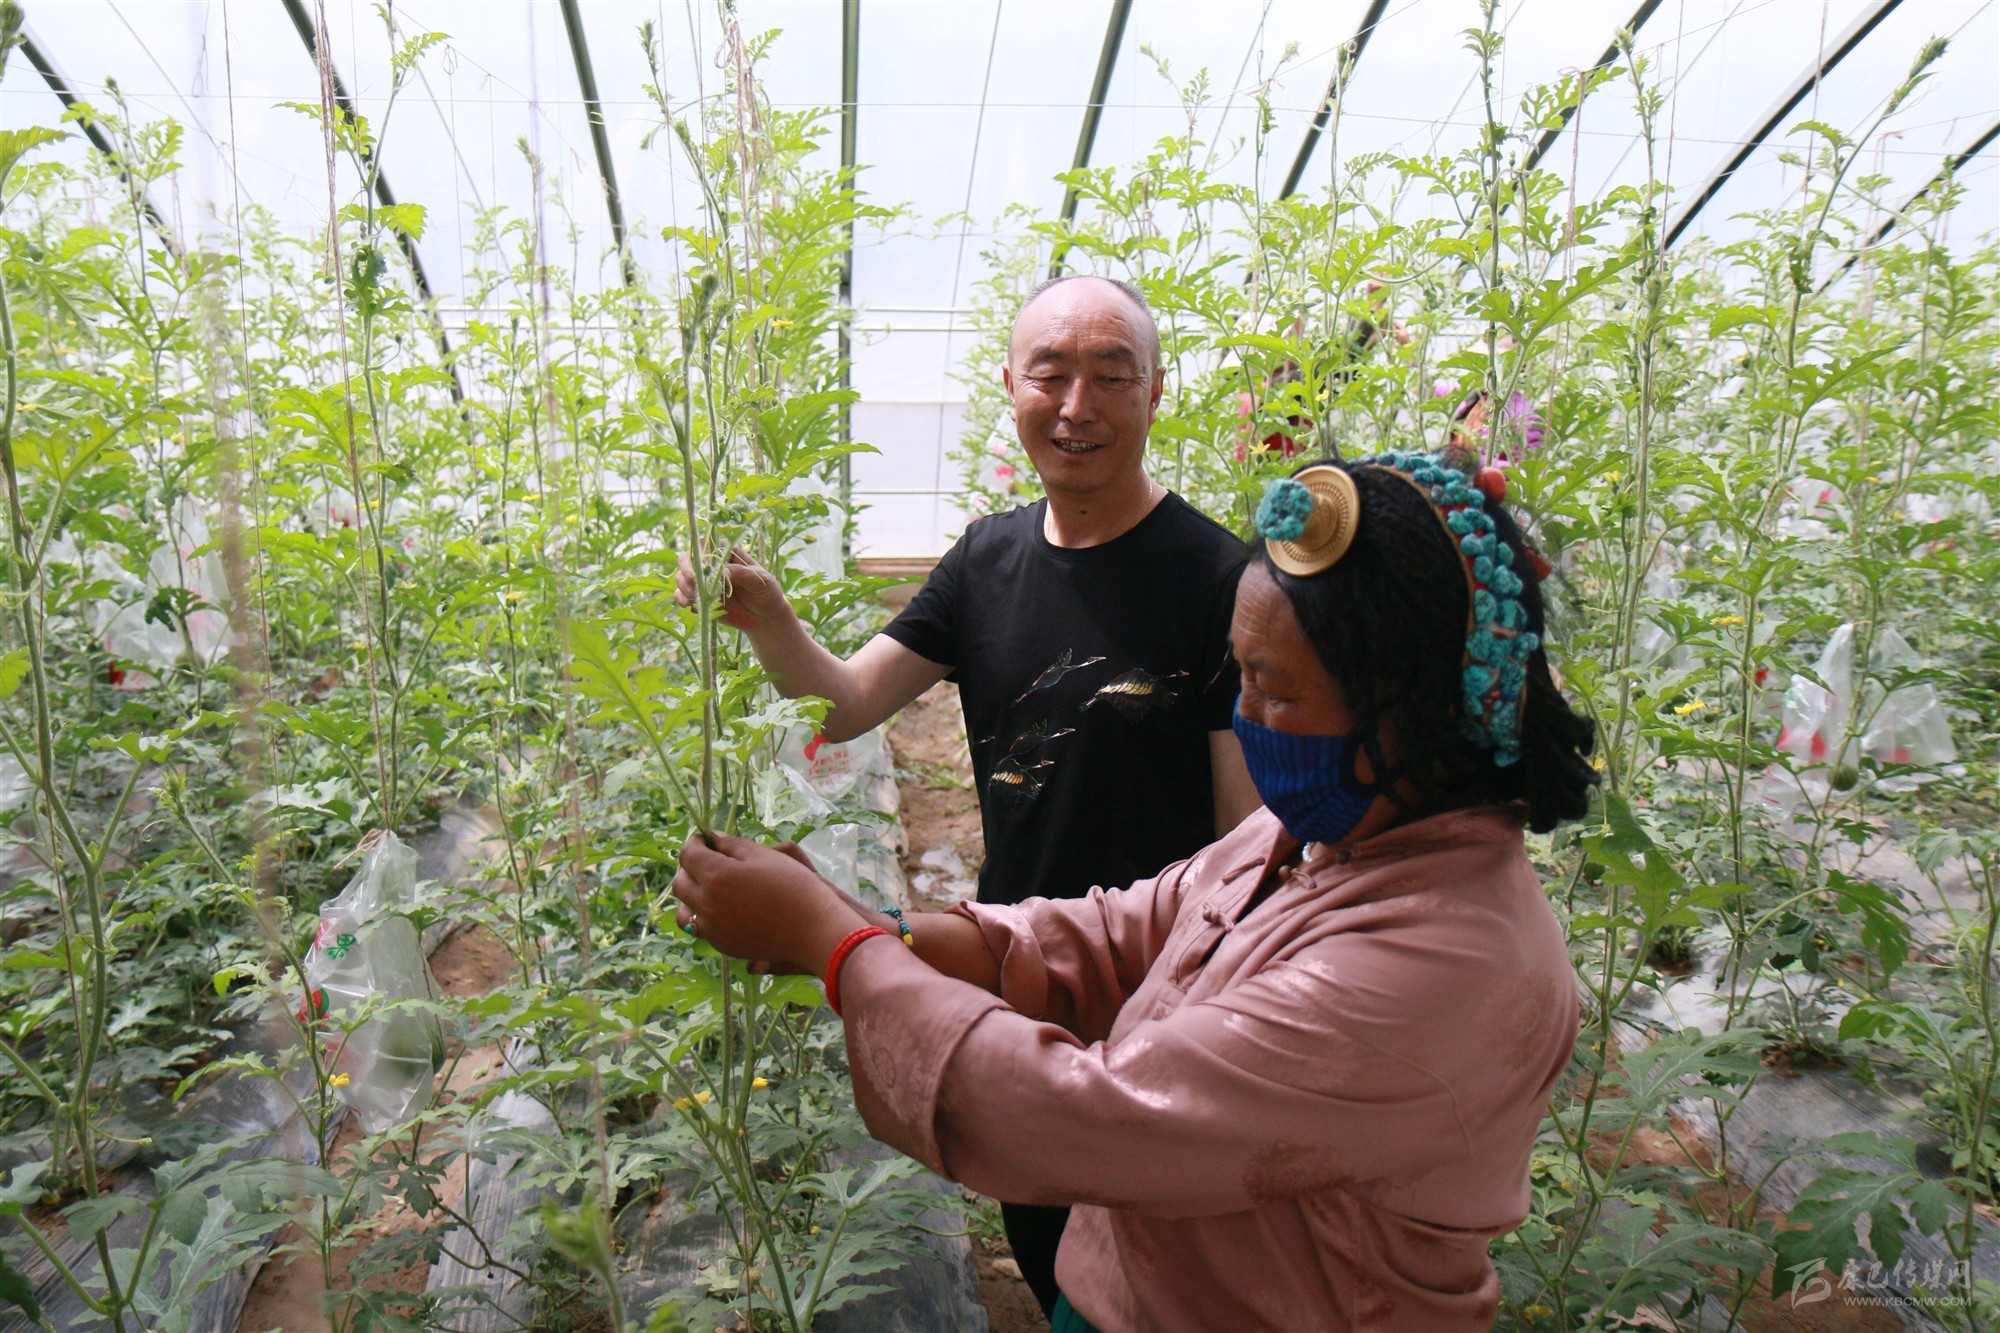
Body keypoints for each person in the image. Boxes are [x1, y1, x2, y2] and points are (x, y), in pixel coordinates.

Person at [672, 451, 1598, 1331]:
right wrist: (874, 927)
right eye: (1240, 677)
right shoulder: (1328, 831)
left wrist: (836, 945)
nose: (1243, 715)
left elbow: (1085, 1113)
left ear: (1416, 705)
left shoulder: (1440, 964)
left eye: (1275, 691)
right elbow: (1122, 933)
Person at [677, 274, 1260, 1313]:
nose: (1076, 405)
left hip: (1155, 984)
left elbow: (1244, 835)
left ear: (1156, 390)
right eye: (1050, 373)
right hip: (1010, 959)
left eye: (1110, 375)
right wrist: (767, 616)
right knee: (1043, 1229)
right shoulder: (987, 558)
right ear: (1009, 386)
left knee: (1152, 1264)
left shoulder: (1218, 579)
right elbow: (848, 703)